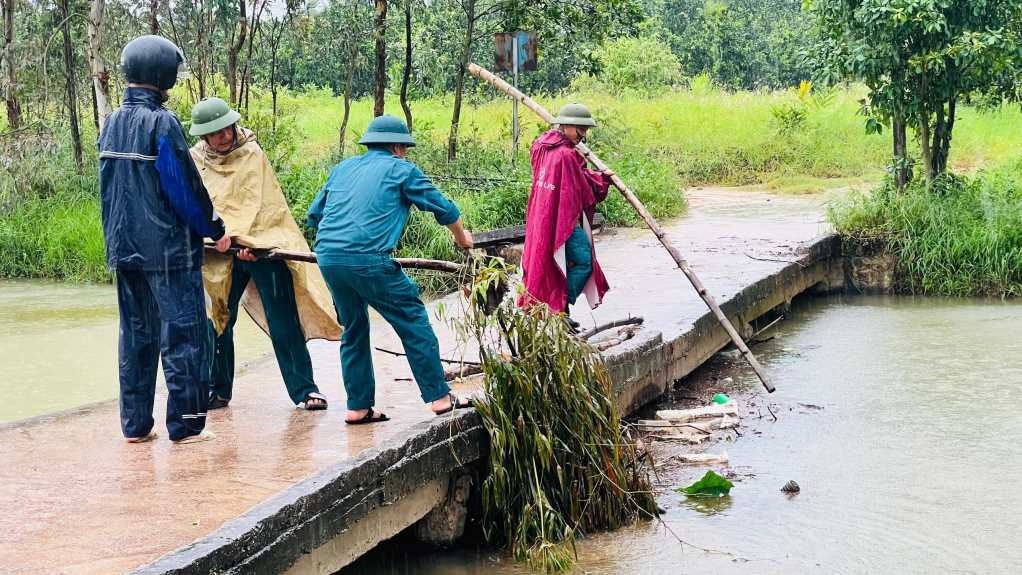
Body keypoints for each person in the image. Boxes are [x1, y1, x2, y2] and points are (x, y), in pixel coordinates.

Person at [98, 35, 230, 444]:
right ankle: (187, 425)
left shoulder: (111, 123)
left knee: (135, 337)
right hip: (167, 251)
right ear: (162, 74)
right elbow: (183, 189)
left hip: (124, 250)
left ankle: (135, 426)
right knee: (185, 337)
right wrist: (215, 230)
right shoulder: (162, 123)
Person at [307, 115, 474, 424]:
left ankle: (358, 407)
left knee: (354, 328)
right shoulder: (402, 169)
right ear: (398, 147)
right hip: (368, 259)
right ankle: (439, 397)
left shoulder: (342, 169)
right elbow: (444, 208)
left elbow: (315, 215)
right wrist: (463, 238)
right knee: (412, 319)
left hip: (328, 257)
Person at [188, 97, 341, 410]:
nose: (224, 137)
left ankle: (305, 389)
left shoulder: (251, 151)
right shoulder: (195, 160)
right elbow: (198, 204)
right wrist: (219, 238)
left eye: (226, 130)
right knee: (216, 319)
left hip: (262, 247)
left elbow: (263, 205)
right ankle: (217, 390)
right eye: (215, 134)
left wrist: (252, 243)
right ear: (204, 137)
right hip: (217, 250)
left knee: (282, 318)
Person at [518, 103, 614, 329]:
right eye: (580, 128)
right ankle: (556, 309)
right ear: (567, 125)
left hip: (541, 216)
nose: (583, 134)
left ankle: (554, 310)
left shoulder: (540, 145)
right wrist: (602, 179)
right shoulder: (567, 155)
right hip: (561, 220)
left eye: (585, 129)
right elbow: (581, 188)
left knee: (546, 263)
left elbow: (573, 178)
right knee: (583, 262)